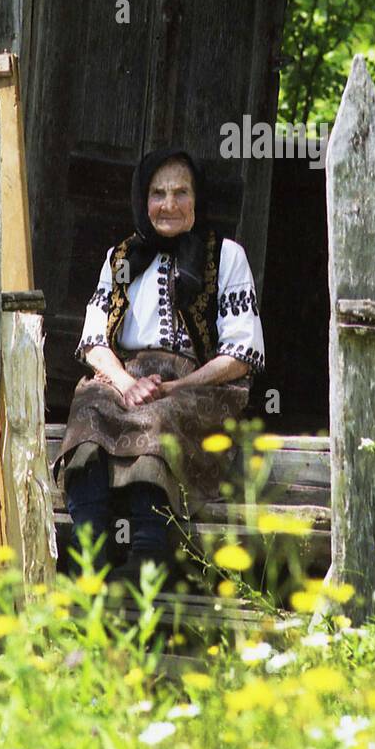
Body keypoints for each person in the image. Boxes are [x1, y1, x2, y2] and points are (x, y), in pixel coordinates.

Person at [54, 146, 264, 588]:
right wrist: (126, 382)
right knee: (89, 404)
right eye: (157, 193)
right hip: (126, 375)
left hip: (198, 383)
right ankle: (91, 549)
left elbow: (243, 353)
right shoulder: (121, 257)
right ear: (142, 199)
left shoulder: (225, 256)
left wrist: (176, 385)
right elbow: (93, 342)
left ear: (197, 198)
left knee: (160, 415)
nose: (168, 204)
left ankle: (150, 551)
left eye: (180, 192)